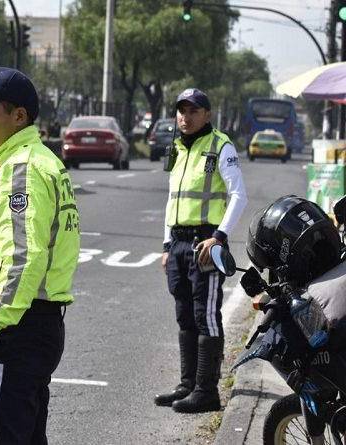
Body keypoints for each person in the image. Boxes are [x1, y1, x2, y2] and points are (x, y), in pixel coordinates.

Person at [0, 67, 81, 444]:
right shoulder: (42, 160)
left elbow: (24, 257)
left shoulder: (22, 169)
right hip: (38, 324)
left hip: (15, 331)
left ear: (19, 116)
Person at [155, 88, 248, 413]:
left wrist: (219, 237)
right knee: (184, 315)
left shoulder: (221, 146)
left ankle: (207, 392)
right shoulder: (177, 148)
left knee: (205, 315)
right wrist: (167, 245)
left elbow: (239, 195)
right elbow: (173, 199)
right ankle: (188, 385)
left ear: (207, 114)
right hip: (178, 243)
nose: (186, 117)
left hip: (205, 243)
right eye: (181, 111)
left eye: (193, 111)